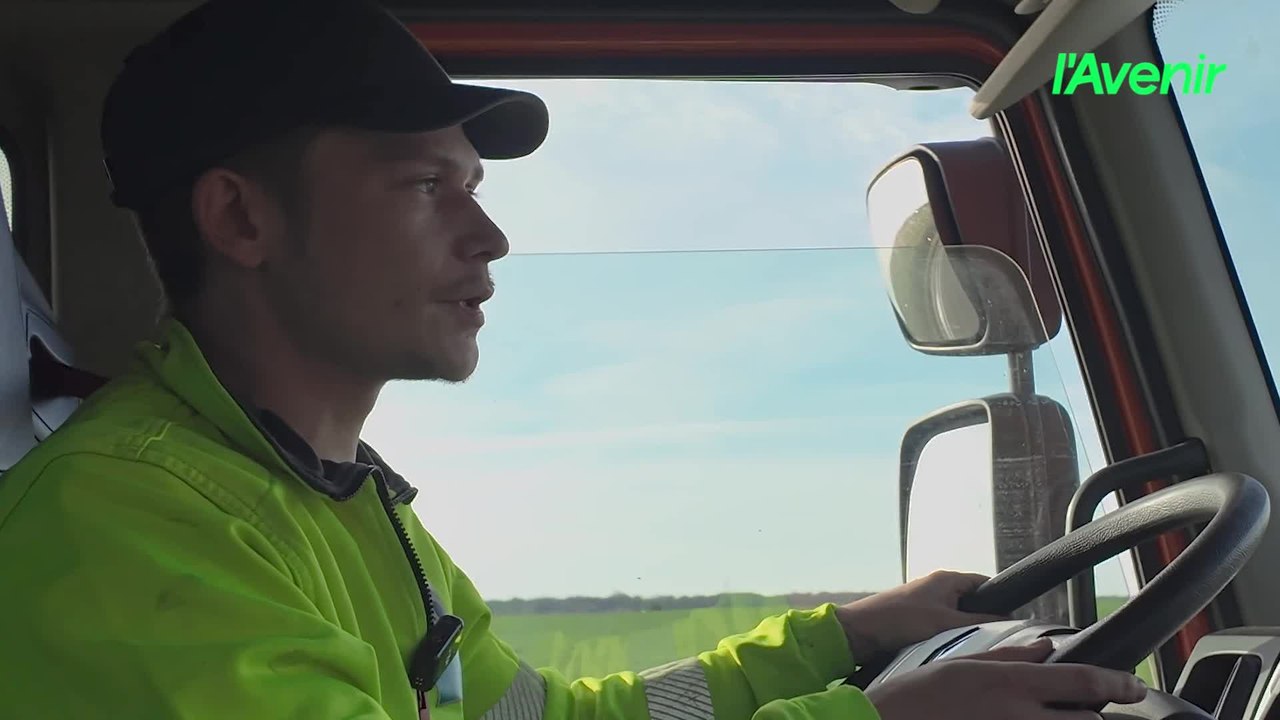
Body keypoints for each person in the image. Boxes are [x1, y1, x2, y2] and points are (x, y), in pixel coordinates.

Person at [0, 0, 1148, 718]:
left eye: (478, 191)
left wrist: (843, 638)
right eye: (423, 186)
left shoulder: (344, 506)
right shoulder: (121, 528)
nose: (488, 236)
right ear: (240, 222)